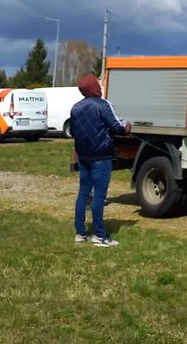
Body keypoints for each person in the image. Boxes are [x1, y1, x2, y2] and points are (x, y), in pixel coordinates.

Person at [71, 73, 130, 247]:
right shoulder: (103, 105)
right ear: (94, 87)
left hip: (84, 157)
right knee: (99, 195)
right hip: (101, 157)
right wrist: (127, 126)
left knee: (83, 194)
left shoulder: (75, 108)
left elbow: (74, 132)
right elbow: (116, 126)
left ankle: (80, 233)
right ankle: (100, 235)